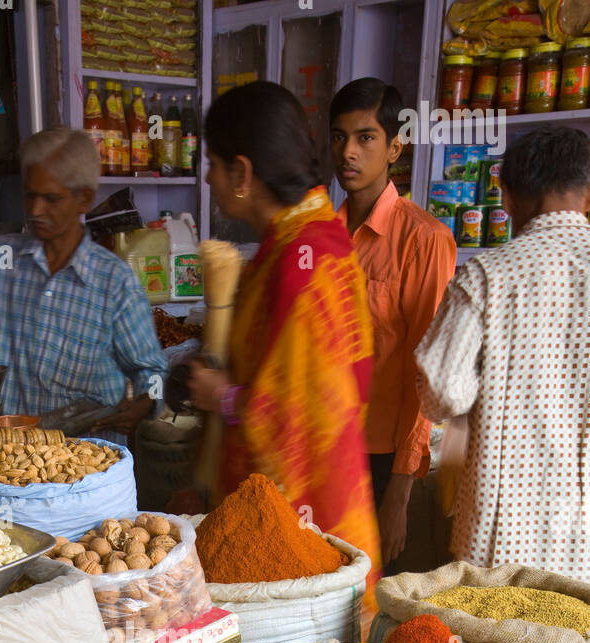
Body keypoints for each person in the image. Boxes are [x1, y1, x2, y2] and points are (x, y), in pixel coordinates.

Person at [189, 81, 381, 579]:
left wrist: (222, 397)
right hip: (327, 508)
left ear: (242, 173)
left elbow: (304, 414)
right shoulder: (305, 239)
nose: (208, 178)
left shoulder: (301, 261)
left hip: (304, 532)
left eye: (212, 163)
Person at [0, 127, 165, 436]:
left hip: (85, 462)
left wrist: (145, 402)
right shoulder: (0, 258)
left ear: (84, 198)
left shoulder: (115, 283)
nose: (35, 210)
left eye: (51, 198)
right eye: (30, 195)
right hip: (4, 456)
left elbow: (151, 371)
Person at [416, 127, 590, 577]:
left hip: (502, 533)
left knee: (494, 640)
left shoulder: (486, 277)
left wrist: (485, 382)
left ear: (507, 198)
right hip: (583, 541)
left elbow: (440, 392)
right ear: (586, 194)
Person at [330, 78, 456, 567]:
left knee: (371, 597)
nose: (349, 152)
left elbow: (422, 373)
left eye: (366, 138)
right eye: (339, 136)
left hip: (382, 459)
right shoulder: (321, 235)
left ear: (395, 148)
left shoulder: (424, 239)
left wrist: (399, 494)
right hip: (325, 446)